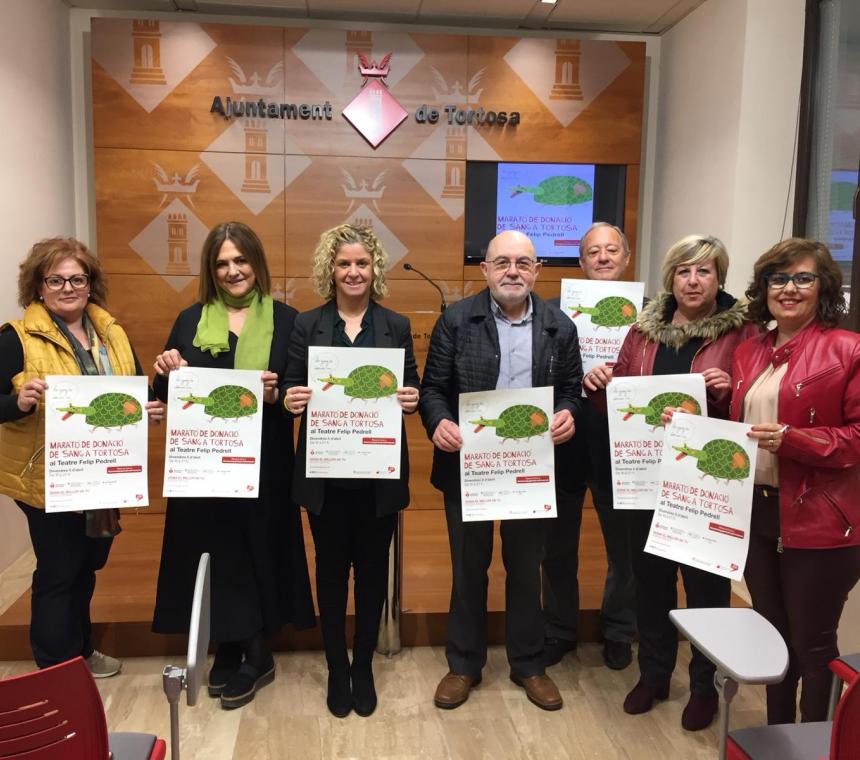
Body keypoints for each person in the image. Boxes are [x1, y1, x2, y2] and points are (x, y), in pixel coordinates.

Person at [584, 234, 759, 731]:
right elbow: (622, 401)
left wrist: (732, 391)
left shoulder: (742, 333)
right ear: (670, 279)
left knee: (706, 586)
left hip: (705, 483)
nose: (693, 280)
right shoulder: (641, 331)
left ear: (719, 277)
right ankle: (655, 673)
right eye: (684, 270)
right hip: (644, 479)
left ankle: (704, 685)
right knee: (651, 581)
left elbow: (757, 403)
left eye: (704, 270)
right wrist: (599, 387)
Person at [151, 221, 314, 710]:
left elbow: (303, 393)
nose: (232, 270)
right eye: (222, 263)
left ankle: (257, 651)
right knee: (211, 549)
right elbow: (167, 394)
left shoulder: (288, 321)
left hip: (264, 462)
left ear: (256, 263)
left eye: (240, 260)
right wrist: (161, 374)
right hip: (202, 465)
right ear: (211, 269)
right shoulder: (190, 319)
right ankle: (225, 644)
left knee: (257, 547)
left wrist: (276, 394)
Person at [420, 229, 582, 712]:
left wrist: (568, 413)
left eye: (524, 263)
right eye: (503, 262)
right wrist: (440, 421)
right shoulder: (456, 320)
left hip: (530, 469)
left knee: (524, 567)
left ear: (538, 271)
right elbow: (432, 389)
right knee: (468, 567)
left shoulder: (560, 325)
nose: (513, 271)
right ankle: (464, 663)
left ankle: (529, 663)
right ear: (486, 270)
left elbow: (571, 388)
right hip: (468, 468)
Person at [0, 237, 163, 676]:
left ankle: (81, 650)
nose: (67, 287)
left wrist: (149, 406)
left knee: (89, 565)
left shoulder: (113, 333)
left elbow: (134, 387)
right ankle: (57, 670)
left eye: (77, 278)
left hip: (103, 477)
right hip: (49, 480)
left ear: (91, 285)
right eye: (56, 279)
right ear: (38, 287)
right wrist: (17, 402)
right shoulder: (16, 339)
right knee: (60, 570)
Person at [283, 224, 420, 718]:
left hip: (377, 477)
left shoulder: (396, 326)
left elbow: (413, 389)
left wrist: (411, 398)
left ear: (374, 269)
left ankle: (362, 666)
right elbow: (291, 389)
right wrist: (292, 399)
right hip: (326, 478)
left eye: (362, 263)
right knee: (332, 573)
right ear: (331, 270)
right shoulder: (306, 325)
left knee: (371, 575)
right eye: (344, 264)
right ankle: (336, 667)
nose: (353, 272)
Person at [729, 238, 860, 723]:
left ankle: (817, 746)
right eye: (778, 279)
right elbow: (741, 427)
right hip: (758, 510)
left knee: (812, 642)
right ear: (763, 289)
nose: (788, 289)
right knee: (772, 634)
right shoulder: (750, 350)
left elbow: (857, 438)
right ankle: (778, 736)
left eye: (802, 278)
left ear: (822, 287)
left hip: (821, 518)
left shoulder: (848, 349)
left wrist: (796, 440)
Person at [542, 222, 637, 670]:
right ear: (580, 262)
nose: (602, 258)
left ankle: (618, 628)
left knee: (623, 546)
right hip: (565, 435)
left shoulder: (652, 315)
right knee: (557, 543)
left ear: (626, 257)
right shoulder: (551, 312)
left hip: (623, 440)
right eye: (593, 252)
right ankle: (560, 628)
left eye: (611, 250)